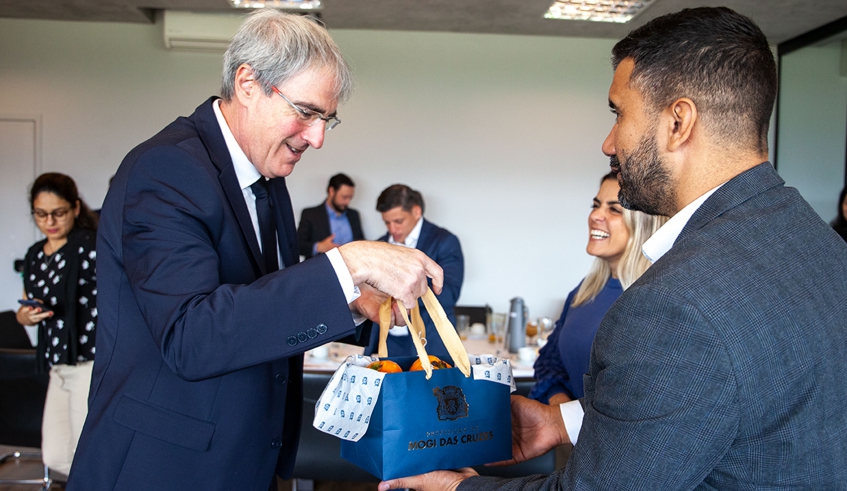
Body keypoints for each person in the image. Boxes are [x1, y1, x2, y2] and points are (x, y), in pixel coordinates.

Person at [380, 7, 847, 490]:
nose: (608, 143)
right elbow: (737, 407)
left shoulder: (676, 302)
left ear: (678, 122)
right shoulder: (822, 248)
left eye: (618, 113)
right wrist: (562, 423)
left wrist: (454, 488)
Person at [66, 11, 444, 491]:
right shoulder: (165, 169)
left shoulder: (266, 178)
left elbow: (253, 308)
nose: (317, 138)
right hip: (164, 467)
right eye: (305, 112)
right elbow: (192, 336)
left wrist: (347, 296)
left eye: (327, 119)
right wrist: (348, 262)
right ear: (247, 83)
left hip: (243, 461)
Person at [529, 172, 665, 405]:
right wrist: (561, 414)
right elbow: (550, 364)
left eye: (614, 209)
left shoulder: (654, 299)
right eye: (596, 205)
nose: (595, 216)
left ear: (643, 224)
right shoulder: (584, 291)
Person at [15, 172, 98, 477]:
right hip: (56, 363)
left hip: (89, 361)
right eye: (40, 214)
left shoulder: (92, 245)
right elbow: (24, 307)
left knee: (86, 449)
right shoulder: (35, 255)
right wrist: (26, 316)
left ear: (75, 208)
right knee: (56, 454)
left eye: (58, 212)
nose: (49, 221)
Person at [364, 184, 463, 360]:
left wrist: (403, 300)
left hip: (431, 341)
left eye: (398, 221)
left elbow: (449, 293)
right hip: (387, 342)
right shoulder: (378, 245)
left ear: (416, 212)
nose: (392, 229)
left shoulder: (445, 241)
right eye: (387, 222)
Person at [297, 172, 365, 258]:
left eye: (350, 198)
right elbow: (298, 246)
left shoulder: (353, 215)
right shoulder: (310, 214)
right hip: (321, 268)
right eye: (344, 197)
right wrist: (319, 247)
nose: (348, 202)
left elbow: (362, 243)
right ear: (331, 191)